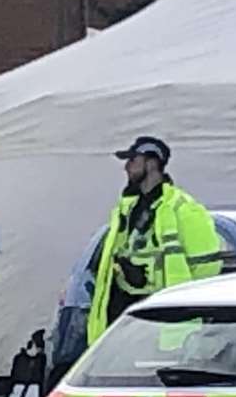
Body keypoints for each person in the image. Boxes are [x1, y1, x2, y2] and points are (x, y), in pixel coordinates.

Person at [87, 136, 222, 345]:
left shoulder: (183, 208)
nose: (127, 167)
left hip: (162, 316)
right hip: (126, 313)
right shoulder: (127, 208)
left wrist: (151, 282)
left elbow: (207, 269)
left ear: (151, 163)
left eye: (133, 160)